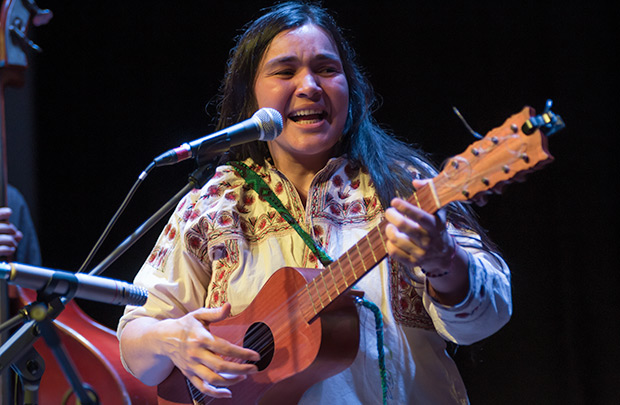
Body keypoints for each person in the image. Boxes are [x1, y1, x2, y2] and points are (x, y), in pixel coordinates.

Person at [117, 2, 512, 403]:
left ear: (350, 87)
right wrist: (171, 339)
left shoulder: (405, 183)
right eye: (285, 71)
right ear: (250, 96)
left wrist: (443, 259)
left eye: (326, 69)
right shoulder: (214, 203)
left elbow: (486, 319)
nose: (309, 85)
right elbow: (138, 347)